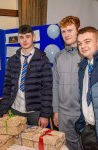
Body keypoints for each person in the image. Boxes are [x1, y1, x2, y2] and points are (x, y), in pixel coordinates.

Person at [1, 24, 52, 128]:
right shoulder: (12, 60)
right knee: (16, 140)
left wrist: (45, 115)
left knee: (36, 141)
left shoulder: (43, 60)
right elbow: (7, 87)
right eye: (21, 37)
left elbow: (47, 89)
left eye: (28, 36)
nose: (24, 40)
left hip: (35, 112)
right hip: (15, 109)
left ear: (34, 37)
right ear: (18, 39)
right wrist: (5, 110)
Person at [52, 16, 82, 150]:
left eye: (70, 30)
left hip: (83, 114)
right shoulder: (58, 56)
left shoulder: (86, 54)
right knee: (68, 147)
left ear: (78, 31)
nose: (66, 34)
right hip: (63, 114)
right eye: (63, 31)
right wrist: (56, 111)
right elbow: (55, 85)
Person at [75, 26, 98, 150]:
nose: (83, 46)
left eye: (87, 41)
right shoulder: (83, 68)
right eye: (79, 43)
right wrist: (82, 126)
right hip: (88, 129)